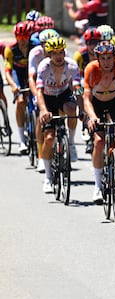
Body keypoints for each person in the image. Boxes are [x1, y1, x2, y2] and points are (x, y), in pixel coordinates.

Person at [83, 41, 115, 204]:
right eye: (103, 59)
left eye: (109, 58)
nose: (106, 62)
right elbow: (86, 98)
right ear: (97, 59)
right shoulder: (91, 69)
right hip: (96, 103)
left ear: (114, 57)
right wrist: (92, 116)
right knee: (99, 141)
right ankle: (97, 186)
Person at [36, 37, 82, 193]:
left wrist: (81, 108)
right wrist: (43, 110)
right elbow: (39, 92)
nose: (58, 56)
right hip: (48, 99)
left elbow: (77, 89)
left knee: (71, 109)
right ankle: (48, 177)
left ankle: (70, 142)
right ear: (49, 54)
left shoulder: (72, 66)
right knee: (49, 137)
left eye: (61, 52)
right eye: (54, 53)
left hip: (63, 95)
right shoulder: (43, 67)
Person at [28, 28, 61, 173]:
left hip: (60, 92)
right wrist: (36, 97)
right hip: (42, 90)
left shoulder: (62, 58)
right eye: (44, 44)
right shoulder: (36, 55)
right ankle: (41, 154)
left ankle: (66, 144)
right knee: (40, 117)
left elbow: (75, 85)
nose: (48, 47)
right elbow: (31, 78)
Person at [4, 21, 35, 154]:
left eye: (25, 37)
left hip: (30, 72)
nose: (23, 41)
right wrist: (13, 85)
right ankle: (22, 140)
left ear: (29, 36)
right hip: (17, 73)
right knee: (21, 101)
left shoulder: (35, 47)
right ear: (16, 37)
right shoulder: (10, 49)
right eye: (20, 38)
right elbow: (7, 71)